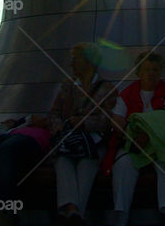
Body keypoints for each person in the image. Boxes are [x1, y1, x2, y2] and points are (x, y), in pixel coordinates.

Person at [107, 51, 165, 226]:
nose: (151, 73)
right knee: (122, 165)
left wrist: (146, 135)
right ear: (139, 72)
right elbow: (117, 120)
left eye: (155, 69)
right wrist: (126, 131)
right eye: (147, 69)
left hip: (160, 146)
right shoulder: (127, 94)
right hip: (134, 146)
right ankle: (121, 217)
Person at [48, 42, 117, 224]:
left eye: (75, 59)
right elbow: (54, 112)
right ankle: (75, 212)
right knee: (64, 160)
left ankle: (70, 210)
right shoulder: (67, 85)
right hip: (71, 140)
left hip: (93, 143)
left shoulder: (107, 89)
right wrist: (60, 127)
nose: (71, 64)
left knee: (83, 162)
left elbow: (107, 119)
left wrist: (84, 123)